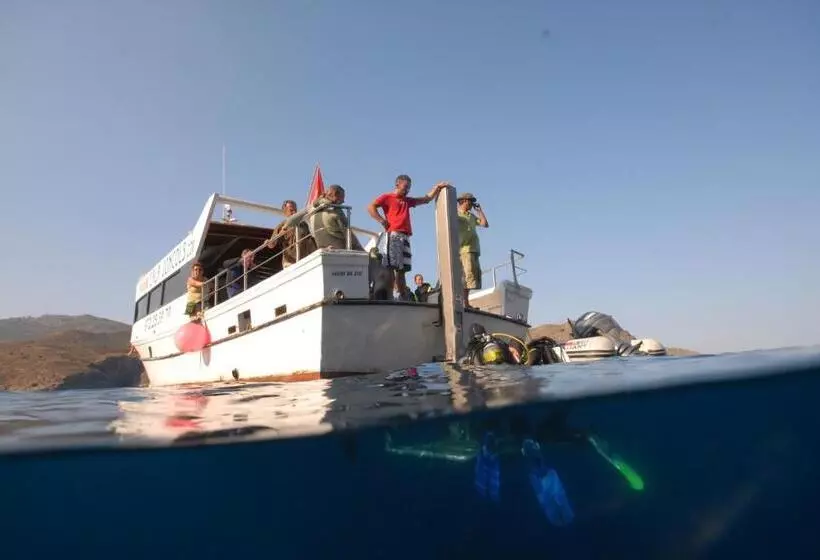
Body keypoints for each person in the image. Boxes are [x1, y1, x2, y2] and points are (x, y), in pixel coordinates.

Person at [368, 175, 448, 299]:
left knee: (402, 269)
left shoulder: (407, 201)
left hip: (405, 236)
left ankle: (402, 295)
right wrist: (382, 220)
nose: (407, 190)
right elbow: (371, 207)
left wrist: (437, 188)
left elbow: (426, 199)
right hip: (394, 235)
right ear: (397, 184)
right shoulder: (387, 197)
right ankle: (389, 295)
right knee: (391, 267)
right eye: (405, 187)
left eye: (409, 188)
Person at [456, 192, 488, 308]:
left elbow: (485, 224)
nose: (471, 204)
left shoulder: (471, 216)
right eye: (470, 201)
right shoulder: (456, 215)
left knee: (472, 277)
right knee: (466, 276)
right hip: (464, 249)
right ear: (463, 201)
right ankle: (464, 303)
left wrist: (479, 211)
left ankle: (466, 302)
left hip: (474, 249)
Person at [309, 185, 364, 250]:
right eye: (342, 197)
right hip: (338, 250)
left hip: (321, 248)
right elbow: (349, 235)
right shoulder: (336, 210)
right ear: (335, 194)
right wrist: (364, 252)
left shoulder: (313, 210)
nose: (343, 201)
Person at [268, 199, 316, 267]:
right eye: (291, 210)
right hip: (290, 263)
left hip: (305, 261)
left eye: (295, 210)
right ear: (285, 212)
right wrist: (268, 242)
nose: (294, 212)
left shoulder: (303, 224)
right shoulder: (281, 226)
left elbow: (310, 241)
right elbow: (271, 245)